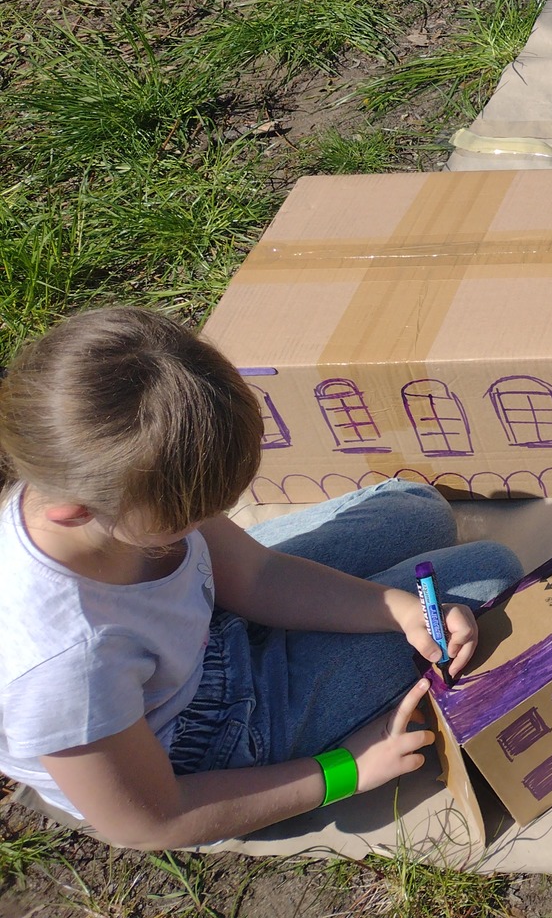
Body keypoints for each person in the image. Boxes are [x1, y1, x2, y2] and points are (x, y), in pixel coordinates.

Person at [0, 308, 523, 849]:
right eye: (185, 521)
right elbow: (150, 821)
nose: (204, 524)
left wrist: (397, 609)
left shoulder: (104, 475)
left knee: (419, 508)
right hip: (207, 743)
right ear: (75, 510)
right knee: (489, 577)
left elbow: (257, 574)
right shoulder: (62, 668)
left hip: (202, 638)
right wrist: (345, 770)